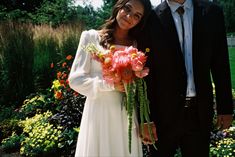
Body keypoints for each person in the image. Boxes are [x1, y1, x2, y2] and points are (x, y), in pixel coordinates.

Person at [137, 0, 234, 156]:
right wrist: (145, 117)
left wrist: (226, 107)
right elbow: (144, 74)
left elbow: (220, 63)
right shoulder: (151, 18)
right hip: (162, 116)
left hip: (199, 113)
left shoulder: (212, 13)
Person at [68, 0, 152, 156]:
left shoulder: (135, 46)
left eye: (137, 16)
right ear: (119, 6)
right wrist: (110, 85)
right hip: (100, 113)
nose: (129, 16)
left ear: (140, 22)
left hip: (125, 117)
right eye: (127, 8)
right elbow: (75, 80)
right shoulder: (91, 37)